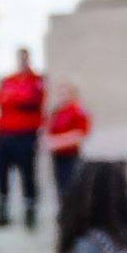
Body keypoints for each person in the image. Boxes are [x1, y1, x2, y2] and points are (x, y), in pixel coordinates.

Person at [0, 50, 46, 229]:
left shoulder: (36, 80)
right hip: (3, 134)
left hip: (25, 135)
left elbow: (30, 99)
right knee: (0, 173)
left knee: (28, 174)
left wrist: (11, 96)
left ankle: (30, 212)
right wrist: (14, 95)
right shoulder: (9, 80)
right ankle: (2, 213)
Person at [44, 79, 92, 208]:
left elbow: (80, 134)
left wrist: (56, 142)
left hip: (70, 156)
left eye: (65, 93)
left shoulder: (77, 110)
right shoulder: (57, 111)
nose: (62, 96)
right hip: (58, 156)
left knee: (71, 187)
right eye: (60, 93)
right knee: (61, 188)